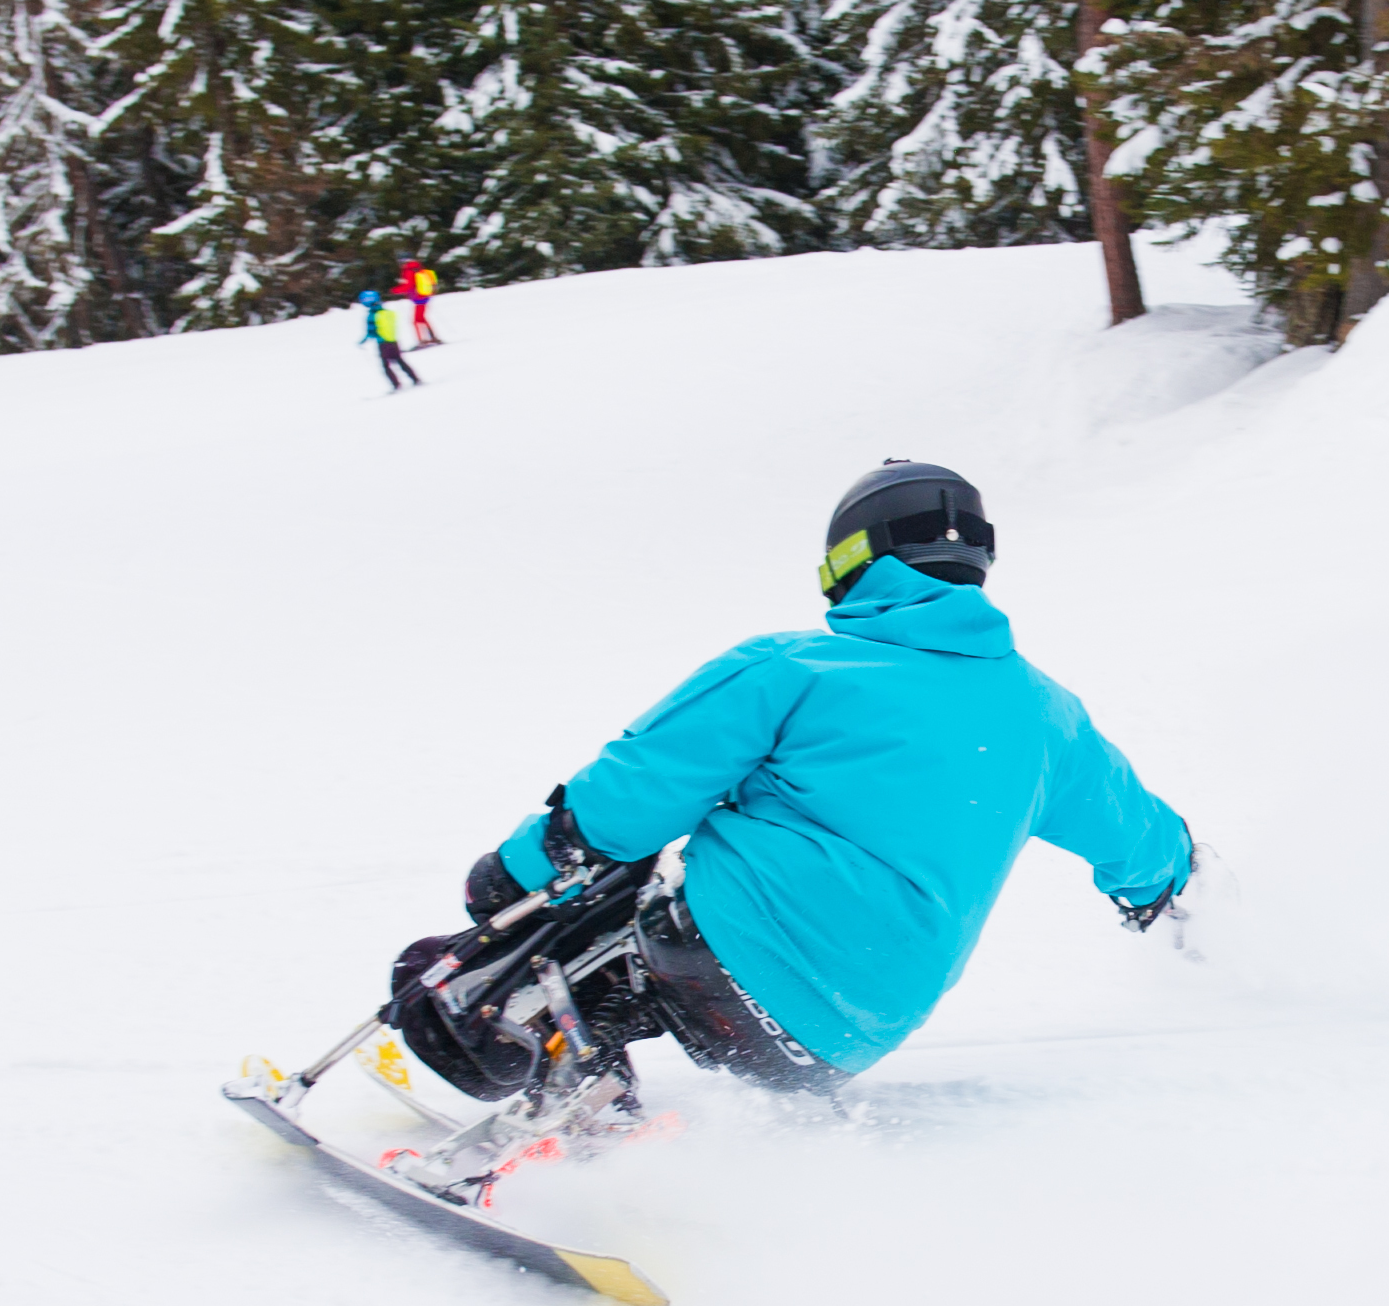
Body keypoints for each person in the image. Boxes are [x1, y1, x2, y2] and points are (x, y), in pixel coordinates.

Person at [408, 460, 1191, 1098]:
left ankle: (551, 1080)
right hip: (851, 1034)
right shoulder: (1048, 715)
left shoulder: (792, 667)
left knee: (532, 930)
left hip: (726, 952)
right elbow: (1140, 839)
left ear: (851, 559)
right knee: (639, 940)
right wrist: (1184, 890)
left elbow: (628, 800)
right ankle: (592, 1089)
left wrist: (508, 877)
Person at [359, 288, 422, 391]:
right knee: (400, 361)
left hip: (383, 343)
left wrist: (363, 341)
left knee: (386, 365)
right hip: (393, 341)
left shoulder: (372, 315)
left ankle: (396, 385)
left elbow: (371, 332)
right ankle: (415, 379)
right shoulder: (388, 313)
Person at [395, 257, 444, 347]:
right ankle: (432, 337)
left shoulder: (408, 271)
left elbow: (408, 286)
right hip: (425, 296)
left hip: (418, 298)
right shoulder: (419, 269)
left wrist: (394, 291)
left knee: (416, 320)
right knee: (421, 319)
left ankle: (422, 340)